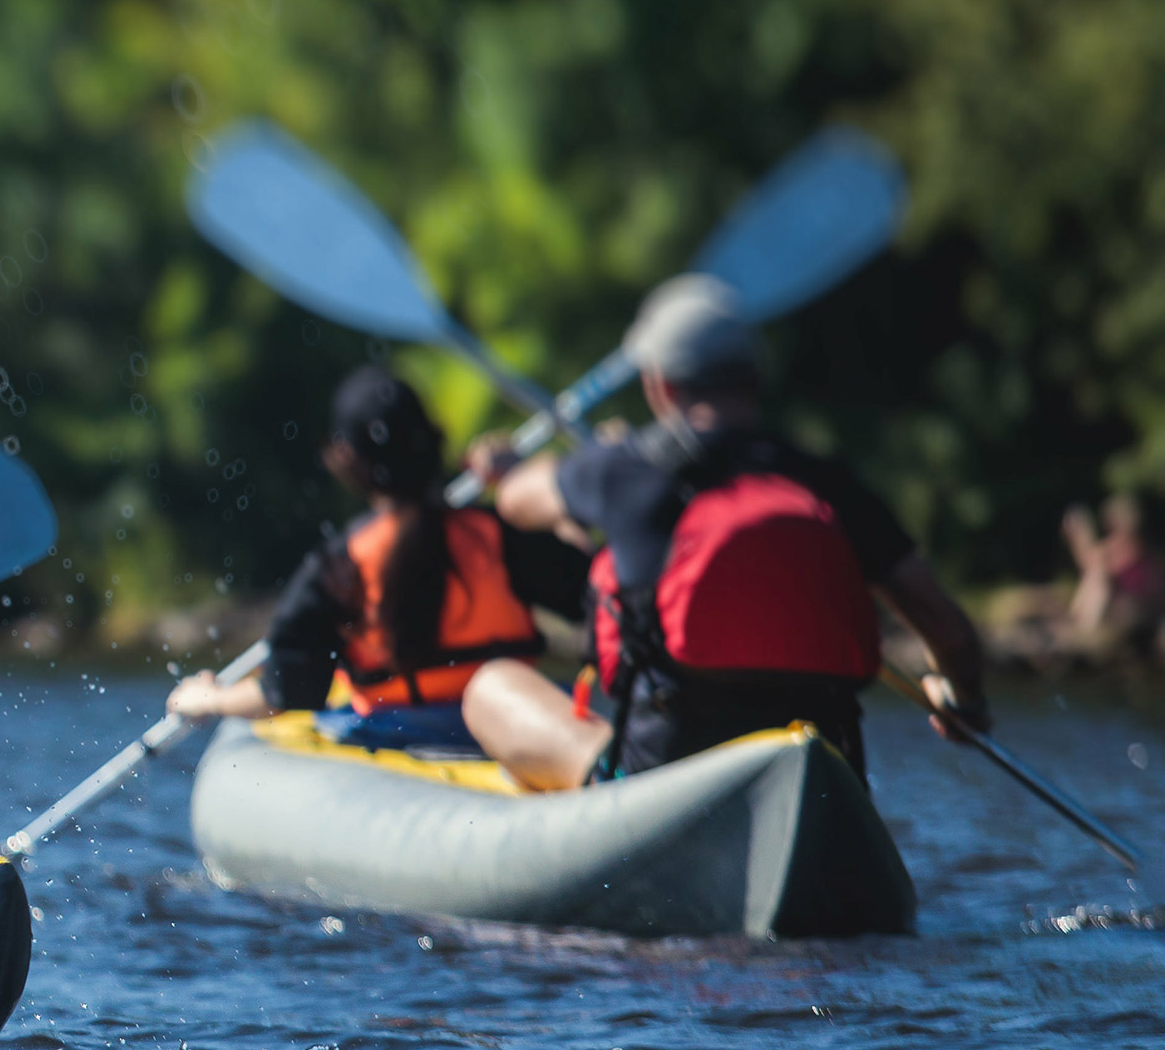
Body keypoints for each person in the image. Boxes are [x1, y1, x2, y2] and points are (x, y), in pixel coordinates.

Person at [459, 275, 992, 790]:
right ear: (753, 381)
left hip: (664, 781)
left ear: (660, 384)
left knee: (490, 686)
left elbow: (519, 501)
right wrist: (961, 698)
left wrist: (517, 471)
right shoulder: (824, 480)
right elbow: (950, 631)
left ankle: (603, 776)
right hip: (819, 773)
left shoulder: (625, 470)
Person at [166, 366, 587, 749]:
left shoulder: (338, 566)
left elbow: (286, 691)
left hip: (398, 738)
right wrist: (526, 482)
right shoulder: (496, 533)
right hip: (515, 727)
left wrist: (212, 698)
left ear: (345, 457)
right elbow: (597, 587)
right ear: (434, 438)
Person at [1062, 491, 1161, 656]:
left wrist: (1080, 535)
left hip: (1141, 608)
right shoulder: (1124, 543)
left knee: (1099, 579)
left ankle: (1084, 627)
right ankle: (1080, 623)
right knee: (1096, 576)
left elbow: (1093, 563)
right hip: (1129, 605)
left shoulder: (1132, 545)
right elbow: (1091, 561)